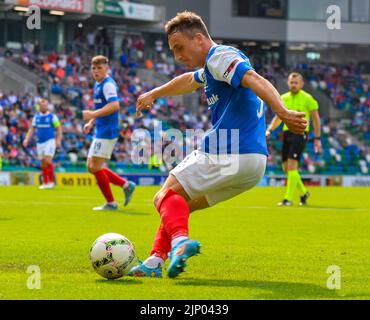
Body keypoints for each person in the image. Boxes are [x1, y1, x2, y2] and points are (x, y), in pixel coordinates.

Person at [128, 11, 307, 279]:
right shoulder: (212, 67)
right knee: (178, 206)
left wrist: (281, 111)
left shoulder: (220, 56)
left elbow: (254, 79)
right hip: (253, 164)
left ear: (198, 39)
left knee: (163, 196)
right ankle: (155, 260)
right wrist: (155, 92)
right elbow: (189, 80)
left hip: (229, 149)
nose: (177, 56)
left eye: (179, 48)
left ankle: (179, 244)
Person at [83, 55, 136, 211]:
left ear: (107, 68)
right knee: (91, 166)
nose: (96, 71)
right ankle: (125, 185)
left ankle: (112, 202)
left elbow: (114, 106)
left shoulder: (108, 85)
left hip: (107, 132)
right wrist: (91, 122)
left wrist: (92, 115)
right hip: (100, 130)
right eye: (94, 68)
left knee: (95, 166)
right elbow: (102, 106)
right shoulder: (97, 84)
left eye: (99, 68)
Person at [266, 72, 322, 206]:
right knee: (286, 168)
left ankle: (288, 199)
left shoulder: (308, 98)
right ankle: (304, 192)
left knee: (291, 165)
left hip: (300, 134)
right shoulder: (283, 98)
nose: (293, 85)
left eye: (296, 82)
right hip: (287, 134)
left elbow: (315, 119)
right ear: (288, 83)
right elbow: (278, 117)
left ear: (302, 84)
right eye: (291, 82)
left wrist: (317, 138)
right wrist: (269, 129)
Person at [23, 98, 62, 189]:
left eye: (45, 105)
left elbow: (59, 129)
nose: (44, 106)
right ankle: (45, 182)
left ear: (47, 106)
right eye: (42, 105)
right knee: (43, 163)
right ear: (39, 106)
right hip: (40, 143)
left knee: (47, 160)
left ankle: (52, 181)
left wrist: (58, 140)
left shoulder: (53, 117)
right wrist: (26, 139)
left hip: (50, 141)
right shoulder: (36, 117)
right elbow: (32, 129)